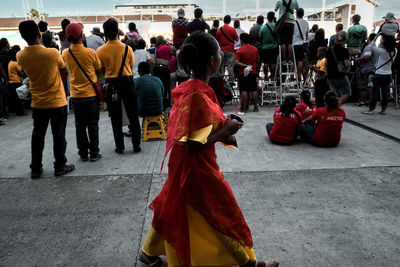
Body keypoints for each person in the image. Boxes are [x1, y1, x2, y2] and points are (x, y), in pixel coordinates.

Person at [139, 30, 279, 267]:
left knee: (172, 205)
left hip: (182, 164)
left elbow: (197, 129)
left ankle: (148, 251)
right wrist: (226, 131)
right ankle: (248, 264)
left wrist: (221, 125)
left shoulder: (189, 89)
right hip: (197, 167)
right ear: (212, 61)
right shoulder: (199, 96)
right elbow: (194, 145)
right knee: (222, 212)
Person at [17, 20, 75, 178]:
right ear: (39, 35)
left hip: (38, 102)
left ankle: (36, 168)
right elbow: (63, 68)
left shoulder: (20, 55)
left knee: (38, 136)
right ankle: (60, 166)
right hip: (57, 101)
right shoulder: (52, 53)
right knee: (59, 135)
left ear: (23, 37)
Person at [97, 18, 141, 153]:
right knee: (133, 114)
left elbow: (101, 69)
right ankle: (136, 144)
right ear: (118, 31)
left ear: (104, 33)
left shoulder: (100, 50)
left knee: (115, 116)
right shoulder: (127, 48)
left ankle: (120, 146)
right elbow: (131, 65)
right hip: (127, 82)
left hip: (112, 85)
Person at [62, 23, 102, 162]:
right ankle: (94, 153)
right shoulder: (90, 52)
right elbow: (98, 69)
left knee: (80, 125)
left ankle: (83, 153)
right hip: (90, 94)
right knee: (92, 125)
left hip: (75, 95)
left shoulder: (65, 53)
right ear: (81, 35)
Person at [362, 33, 397, 115]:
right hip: (388, 74)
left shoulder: (381, 51)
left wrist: (376, 37)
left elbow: (370, 46)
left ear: (384, 42)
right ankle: (383, 109)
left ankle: (371, 109)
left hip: (379, 74)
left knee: (375, 92)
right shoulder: (395, 51)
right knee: (385, 92)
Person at [235, 33, 260, 112]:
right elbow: (258, 60)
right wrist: (255, 69)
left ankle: (244, 108)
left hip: (242, 73)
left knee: (244, 90)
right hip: (253, 72)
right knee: (253, 90)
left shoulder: (239, 50)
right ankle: (256, 107)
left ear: (241, 40)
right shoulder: (255, 49)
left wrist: (245, 65)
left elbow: (236, 62)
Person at [326, 30, 350, 107]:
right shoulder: (344, 50)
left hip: (330, 74)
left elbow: (326, 63)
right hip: (340, 74)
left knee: (333, 93)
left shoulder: (330, 49)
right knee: (347, 92)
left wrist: (327, 73)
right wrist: (348, 69)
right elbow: (347, 64)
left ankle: (332, 107)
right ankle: (337, 105)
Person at [354, 33, 376, 106]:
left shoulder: (368, 47)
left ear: (369, 38)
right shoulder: (375, 47)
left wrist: (358, 59)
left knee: (363, 86)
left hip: (366, 69)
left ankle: (363, 101)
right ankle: (369, 101)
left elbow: (367, 56)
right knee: (370, 86)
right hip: (372, 69)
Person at [216, 15, 238, 86]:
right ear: (230, 21)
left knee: (221, 65)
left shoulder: (219, 29)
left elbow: (217, 38)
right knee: (230, 66)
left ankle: (221, 79)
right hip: (230, 50)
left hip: (222, 50)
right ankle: (231, 80)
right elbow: (236, 39)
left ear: (223, 20)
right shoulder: (232, 29)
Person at [153, 35, 174, 104]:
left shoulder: (157, 48)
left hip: (157, 68)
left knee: (159, 84)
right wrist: (167, 43)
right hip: (165, 68)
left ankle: (159, 99)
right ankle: (165, 100)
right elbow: (174, 48)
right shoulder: (166, 48)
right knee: (166, 85)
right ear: (163, 41)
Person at [259, 12, 278, 82]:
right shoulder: (276, 26)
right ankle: (273, 76)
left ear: (267, 18)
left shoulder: (263, 27)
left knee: (265, 63)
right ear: (273, 18)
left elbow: (260, 36)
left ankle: (266, 76)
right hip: (274, 47)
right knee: (273, 63)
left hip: (265, 48)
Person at [7, 45, 25, 116]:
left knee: (14, 98)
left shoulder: (10, 63)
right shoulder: (16, 64)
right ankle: (20, 112)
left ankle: (16, 110)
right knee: (19, 99)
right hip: (17, 82)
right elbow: (22, 74)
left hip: (11, 82)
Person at [293, 8, 309, 82]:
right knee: (300, 60)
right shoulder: (306, 23)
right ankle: (298, 76)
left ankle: (292, 75)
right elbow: (306, 34)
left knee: (293, 60)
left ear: (296, 14)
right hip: (302, 44)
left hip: (295, 43)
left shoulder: (293, 22)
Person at [0, 38, 10, 119]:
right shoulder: (8, 54)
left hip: (3, 77)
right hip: (8, 75)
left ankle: (5, 111)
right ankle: (5, 112)